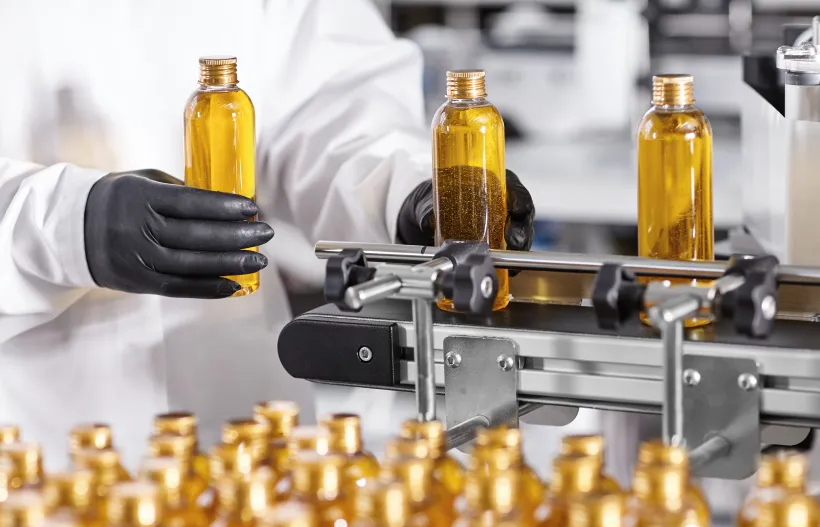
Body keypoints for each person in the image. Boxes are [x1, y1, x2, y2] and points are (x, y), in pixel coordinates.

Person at [0, 0, 534, 466]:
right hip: (37, 439)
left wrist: (407, 194)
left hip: (243, 426)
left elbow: (331, 104)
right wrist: (65, 225)